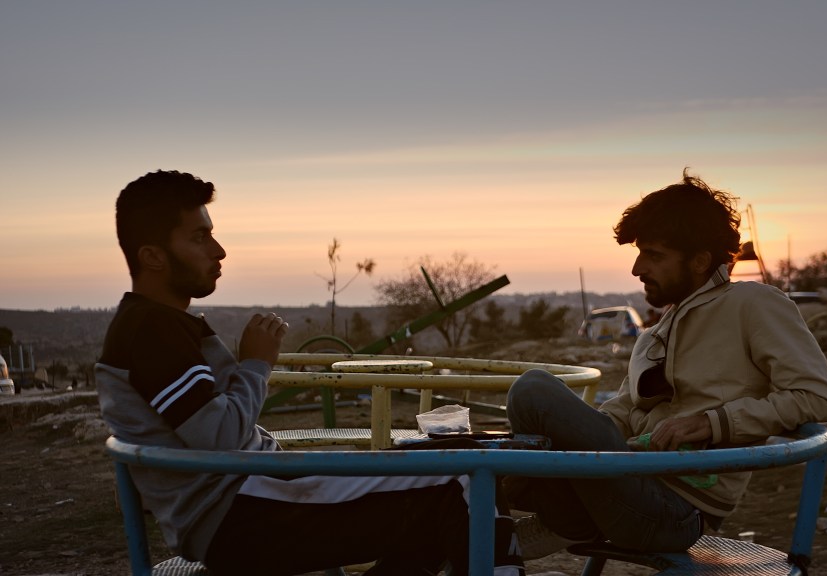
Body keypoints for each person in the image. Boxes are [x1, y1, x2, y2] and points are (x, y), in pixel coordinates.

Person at [95, 170, 524, 576]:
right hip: (241, 514)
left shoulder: (158, 324)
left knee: (446, 459)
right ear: (152, 256)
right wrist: (257, 364)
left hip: (255, 496)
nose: (219, 250)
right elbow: (218, 439)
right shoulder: (152, 329)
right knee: (463, 481)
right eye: (199, 237)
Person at [505, 169, 827, 559]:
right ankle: (504, 519)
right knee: (470, 463)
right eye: (639, 253)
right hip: (630, 479)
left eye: (654, 255)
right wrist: (589, 433)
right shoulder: (655, 333)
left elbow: (817, 398)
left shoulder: (752, 304)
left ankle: (536, 521)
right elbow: (625, 411)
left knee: (533, 390)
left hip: (675, 508)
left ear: (699, 261)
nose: (637, 269)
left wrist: (711, 422)